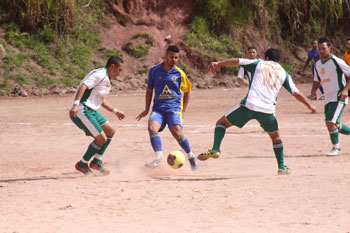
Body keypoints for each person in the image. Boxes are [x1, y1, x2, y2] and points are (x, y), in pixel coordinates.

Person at [198, 48, 316, 174]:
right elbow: (296, 93)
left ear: (266, 58)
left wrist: (219, 63)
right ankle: (281, 167)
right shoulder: (284, 73)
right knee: (276, 138)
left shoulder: (259, 63)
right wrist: (309, 106)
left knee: (221, 123)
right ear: (279, 60)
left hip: (249, 105)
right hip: (268, 110)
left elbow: (238, 61)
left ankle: (215, 149)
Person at [136, 45, 198, 170]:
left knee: (177, 133)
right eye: (171, 57)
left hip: (174, 109)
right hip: (158, 109)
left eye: (176, 58)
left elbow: (187, 91)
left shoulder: (180, 74)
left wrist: (183, 111)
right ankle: (158, 159)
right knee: (152, 127)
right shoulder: (154, 70)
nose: (174, 60)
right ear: (165, 56)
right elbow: (149, 90)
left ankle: (191, 156)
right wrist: (146, 109)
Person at [69, 56, 126, 175]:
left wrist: (116, 111)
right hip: (82, 109)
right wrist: (75, 104)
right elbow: (83, 86)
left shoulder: (105, 78)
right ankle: (82, 164)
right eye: (119, 69)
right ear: (112, 66)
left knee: (110, 131)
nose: (120, 73)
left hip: (91, 110)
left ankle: (96, 162)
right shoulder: (100, 74)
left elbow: (100, 100)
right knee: (101, 139)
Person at [310, 38, 350, 156]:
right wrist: (313, 91)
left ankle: (336, 148)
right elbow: (317, 80)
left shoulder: (336, 61)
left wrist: (346, 90)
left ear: (329, 48)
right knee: (334, 124)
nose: (321, 51)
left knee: (329, 121)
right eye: (319, 49)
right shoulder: (317, 64)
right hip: (328, 97)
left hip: (339, 96)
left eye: (324, 49)